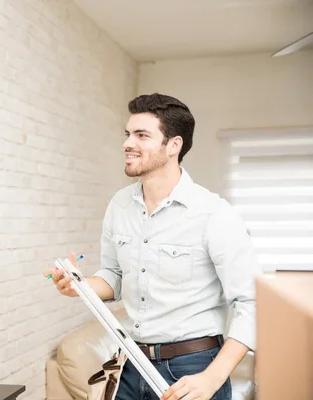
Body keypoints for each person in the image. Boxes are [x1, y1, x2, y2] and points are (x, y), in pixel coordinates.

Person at [43, 93, 262, 400]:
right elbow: (113, 277)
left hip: (193, 368)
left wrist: (212, 378)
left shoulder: (214, 213)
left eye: (142, 135)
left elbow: (252, 303)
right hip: (131, 365)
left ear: (174, 145)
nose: (127, 144)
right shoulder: (119, 205)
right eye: (127, 134)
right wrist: (78, 285)